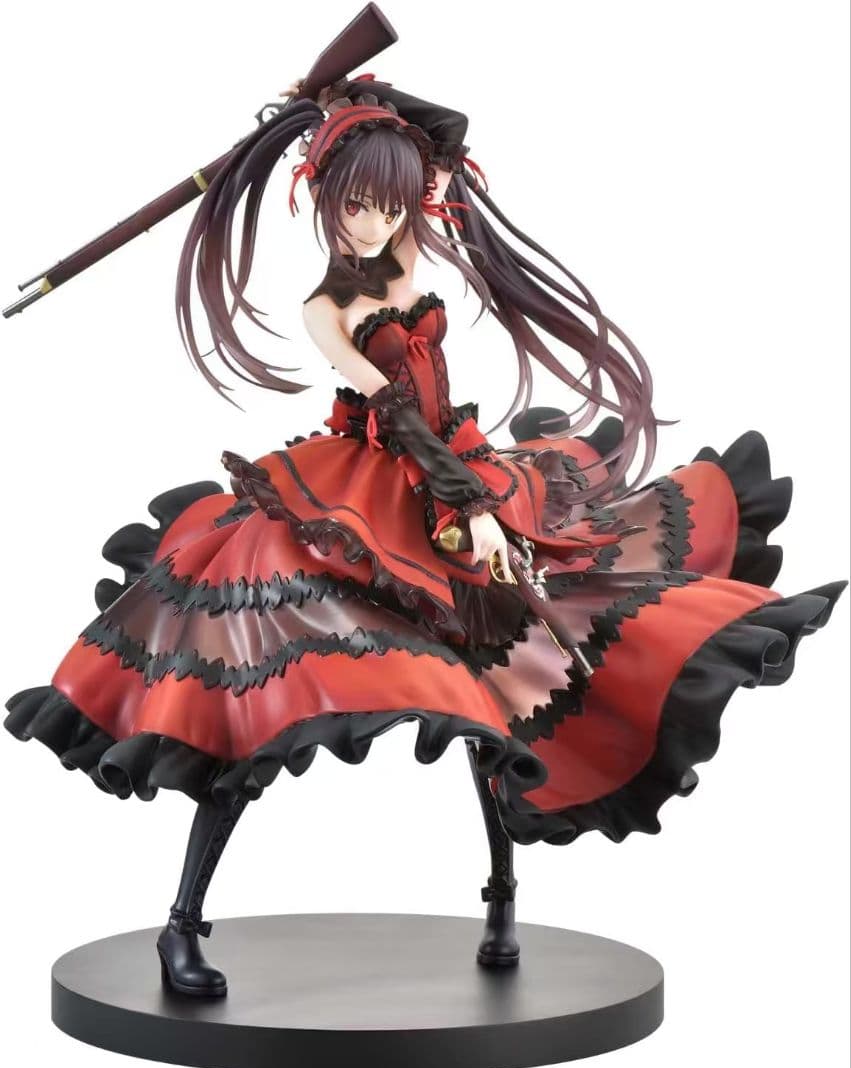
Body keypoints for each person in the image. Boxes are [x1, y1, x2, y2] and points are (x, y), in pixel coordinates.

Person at [4, 74, 846, 998]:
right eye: (353, 204)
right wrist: (468, 508)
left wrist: (342, 95)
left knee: (491, 683)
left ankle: (501, 899)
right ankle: (182, 926)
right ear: (321, 197)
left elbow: (448, 133)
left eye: (388, 203)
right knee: (264, 707)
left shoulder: (407, 251)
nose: (370, 223)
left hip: (456, 469)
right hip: (367, 497)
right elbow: (398, 416)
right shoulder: (327, 308)